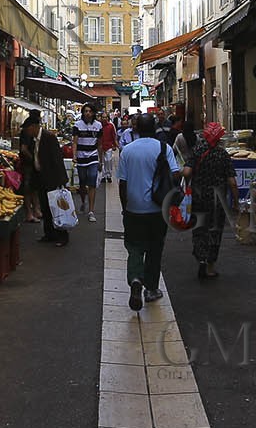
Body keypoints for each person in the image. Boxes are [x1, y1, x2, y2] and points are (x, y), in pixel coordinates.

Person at [118, 114, 183, 310]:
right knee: (155, 248)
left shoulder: (127, 151)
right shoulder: (164, 148)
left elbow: (123, 183)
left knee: (135, 247)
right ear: (154, 128)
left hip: (133, 208)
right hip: (157, 208)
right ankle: (151, 289)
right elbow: (175, 174)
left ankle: (136, 279)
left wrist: (124, 207)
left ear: (136, 129)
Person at [189, 122, 238, 280]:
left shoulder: (197, 151)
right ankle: (210, 266)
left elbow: (186, 171)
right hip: (217, 200)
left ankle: (201, 258)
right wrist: (236, 202)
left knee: (199, 229)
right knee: (215, 230)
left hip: (199, 197)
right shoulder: (223, 154)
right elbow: (232, 182)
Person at [21, 112, 70, 246]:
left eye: (28, 129)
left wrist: (60, 181)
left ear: (34, 127)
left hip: (52, 179)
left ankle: (62, 236)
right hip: (41, 178)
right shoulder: (34, 139)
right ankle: (49, 234)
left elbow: (57, 160)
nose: (27, 132)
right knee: (45, 208)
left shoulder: (49, 137)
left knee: (57, 209)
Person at [73, 103, 104, 222]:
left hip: (93, 157)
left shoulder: (98, 125)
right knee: (82, 183)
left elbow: (100, 144)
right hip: (81, 157)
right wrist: (74, 155)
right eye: (85, 111)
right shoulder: (77, 125)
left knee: (92, 182)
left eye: (90, 111)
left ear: (93, 113)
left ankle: (91, 211)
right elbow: (75, 142)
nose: (87, 113)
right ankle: (82, 201)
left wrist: (100, 161)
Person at [16, 112, 42, 222]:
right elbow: (24, 149)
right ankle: (29, 213)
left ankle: (36, 210)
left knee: (34, 188)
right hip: (27, 164)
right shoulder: (27, 132)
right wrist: (33, 159)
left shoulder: (33, 131)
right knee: (28, 188)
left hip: (32, 164)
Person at [100, 117, 120, 185]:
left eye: (105, 117)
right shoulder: (99, 125)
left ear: (107, 118)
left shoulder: (111, 126)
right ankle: (103, 176)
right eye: (103, 117)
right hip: (100, 146)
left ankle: (108, 175)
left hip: (108, 145)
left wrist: (114, 145)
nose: (104, 118)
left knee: (108, 160)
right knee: (102, 161)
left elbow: (113, 136)